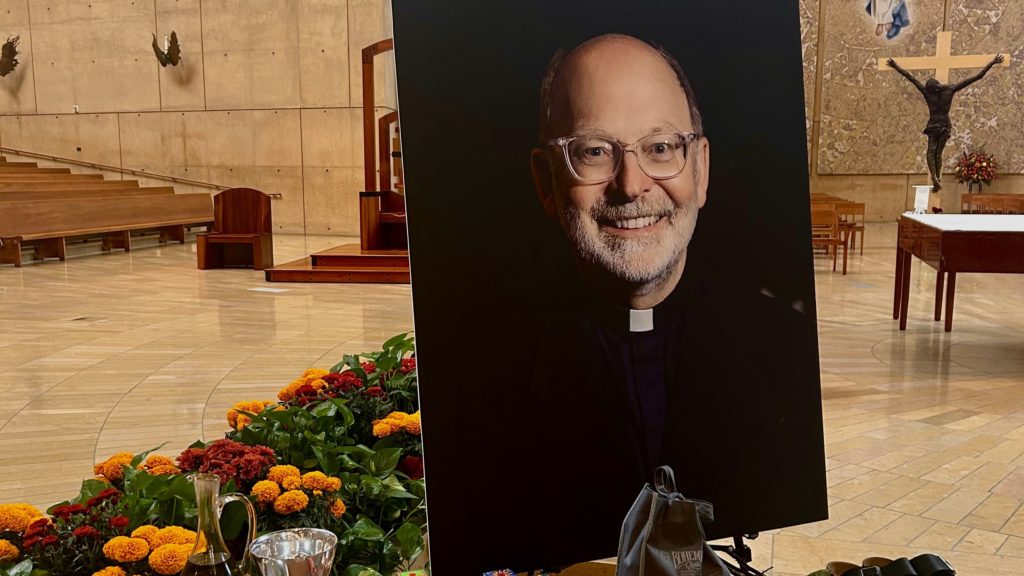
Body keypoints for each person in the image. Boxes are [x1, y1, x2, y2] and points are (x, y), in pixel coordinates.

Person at [478, 33, 826, 572]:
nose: (631, 184)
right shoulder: (474, 377)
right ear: (547, 181)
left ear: (701, 168)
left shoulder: (787, 349)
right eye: (593, 151)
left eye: (661, 148)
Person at [888, 54, 1005, 191]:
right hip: (944, 125)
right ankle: (937, 177)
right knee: (938, 153)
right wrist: (992, 62)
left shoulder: (927, 92)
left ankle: (935, 177)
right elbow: (976, 77)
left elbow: (910, 77)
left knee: (931, 152)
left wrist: (895, 66)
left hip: (933, 125)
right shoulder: (949, 90)